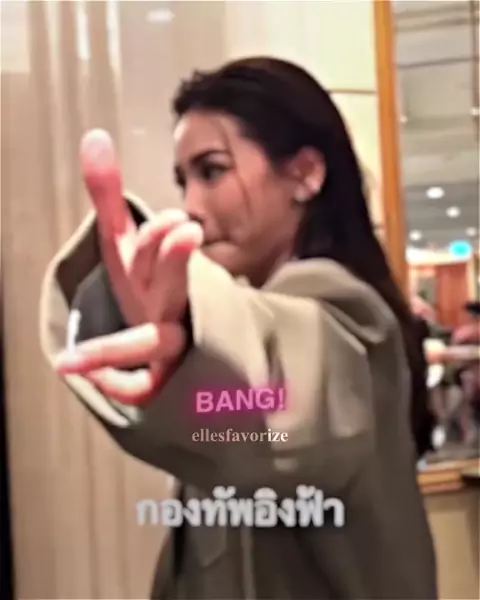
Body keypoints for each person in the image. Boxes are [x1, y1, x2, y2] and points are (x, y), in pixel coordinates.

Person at [39, 57, 437, 599]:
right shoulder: (248, 318)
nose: (190, 207)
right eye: (184, 181)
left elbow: (283, 394)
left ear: (305, 174)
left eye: (212, 171)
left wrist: (191, 352)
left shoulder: (348, 322)